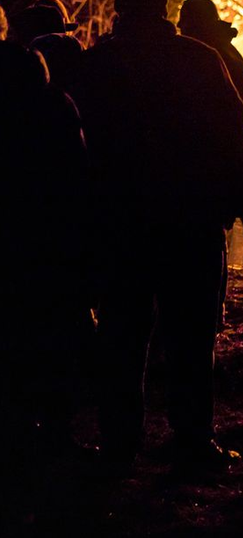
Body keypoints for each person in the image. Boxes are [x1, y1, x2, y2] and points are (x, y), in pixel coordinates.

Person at [72, 0, 243, 471]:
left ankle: (119, 441)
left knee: (121, 335)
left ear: (118, 8)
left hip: (120, 223)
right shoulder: (199, 60)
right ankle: (193, 438)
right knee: (192, 335)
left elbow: (77, 150)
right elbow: (232, 135)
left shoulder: (96, 67)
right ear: (162, 7)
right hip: (189, 221)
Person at [1, 37, 92, 469]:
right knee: (58, 339)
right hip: (53, 245)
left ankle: (21, 430)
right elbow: (78, 175)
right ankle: (56, 431)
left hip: (22, 244)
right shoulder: (56, 107)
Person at [178, 0, 243, 107]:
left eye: (185, 18)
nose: (179, 24)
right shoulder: (226, 50)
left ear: (198, 21)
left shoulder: (206, 55)